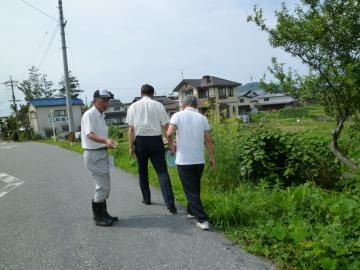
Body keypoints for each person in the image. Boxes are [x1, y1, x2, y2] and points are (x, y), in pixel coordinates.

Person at [126, 84, 177, 214]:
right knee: (162, 172)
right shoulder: (158, 105)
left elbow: (131, 129)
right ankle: (170, 204)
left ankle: (147, 198)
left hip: (141, 142)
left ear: (141, 93)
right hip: (156, 141)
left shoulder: (133, 106)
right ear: (153, 93)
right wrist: (171, 143)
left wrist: (130, 146)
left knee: (142, 171)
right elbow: (166, 127)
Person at [167, 95, 215, 230]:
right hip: (199, 160)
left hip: (184, 160)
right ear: (196, 105)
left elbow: (169, 133)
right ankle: (191, 211)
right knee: (194, 187)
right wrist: (212, 157)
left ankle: (202, 219)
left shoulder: (177, 115)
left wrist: (172, 145)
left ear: (183, 105)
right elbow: (209, 140)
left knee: (190, 190)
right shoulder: (202, 118)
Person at [81, 89, 118, 227]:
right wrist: (106, 141)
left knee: (105, 184)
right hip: (93, 154)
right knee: (101, 186)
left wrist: (107, 143)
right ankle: (98, 217)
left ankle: (104, 213)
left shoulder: (100, 115)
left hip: (101, 153)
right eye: (103, 100)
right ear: (94, 101)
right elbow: (89, 135)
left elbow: (98, 135)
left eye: (108, 101)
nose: (106, 103)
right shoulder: (90, 114)